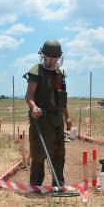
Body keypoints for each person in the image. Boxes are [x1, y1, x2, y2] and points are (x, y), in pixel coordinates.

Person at [23, 40, 72, 187]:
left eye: (55, 59)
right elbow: (29, 96)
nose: (52, 61)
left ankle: (58, 184)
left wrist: (67, 117)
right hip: (41, 118)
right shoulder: (36, 71)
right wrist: (34, 107)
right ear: (43, 56)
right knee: (39, 155)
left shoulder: (60, 74)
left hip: (57, 119)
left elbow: (61, 98)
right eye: (50, 58)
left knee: (59, 154)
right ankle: (36, 186)